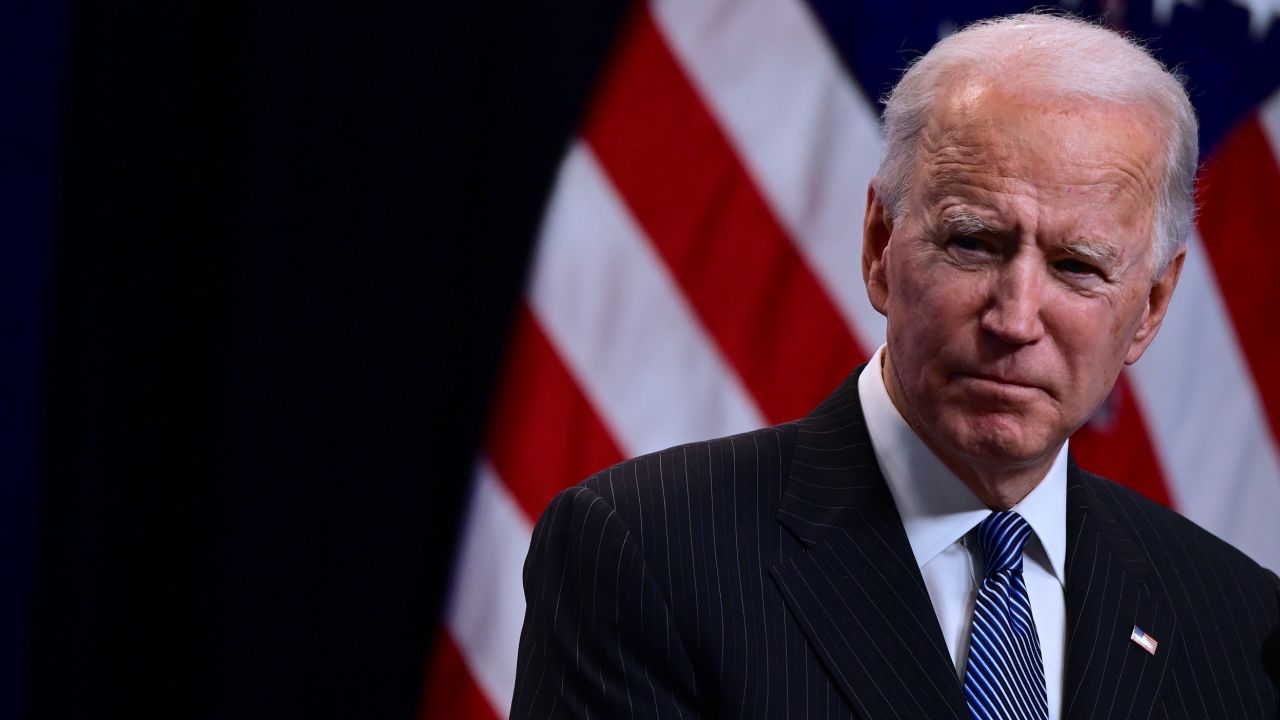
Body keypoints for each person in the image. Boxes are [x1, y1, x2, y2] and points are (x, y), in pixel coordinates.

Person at [511, 13, 1280, 719]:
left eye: (1077, 265)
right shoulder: (648, 553)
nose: (1014, 320)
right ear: (881, 245)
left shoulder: (1239, 624)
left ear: (1149, 306)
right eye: (973, 243)